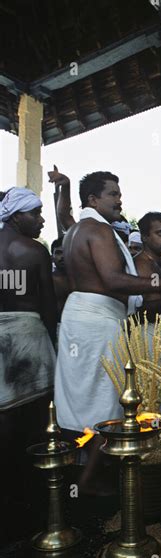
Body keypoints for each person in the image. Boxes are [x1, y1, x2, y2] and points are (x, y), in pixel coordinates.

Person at [55, 173, 161, 494]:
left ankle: (76, 477)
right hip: (97, 320)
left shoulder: (75, 229)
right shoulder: (99, 230)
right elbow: (113, 279)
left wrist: (62, 188)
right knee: (105, 400)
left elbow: (63, 215)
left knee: (82, 400)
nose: (120, 200)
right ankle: (87, 483)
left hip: (82, 317)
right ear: (93, 200)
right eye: (113, 194)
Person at [0, 187, 57, 465]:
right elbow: (48, 304)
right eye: (35, 213)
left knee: (5, 411)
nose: (41, 220)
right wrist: (54, 342)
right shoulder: (34, 251)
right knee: (36, 409)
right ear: (15, 216)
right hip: (29, 336)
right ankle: (32, 477)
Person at [51, 237, 70, 318]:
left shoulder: (82, 279)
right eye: (58, 253)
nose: (62, 256)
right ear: (52, 257)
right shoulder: (49, 280)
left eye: (65, 252)